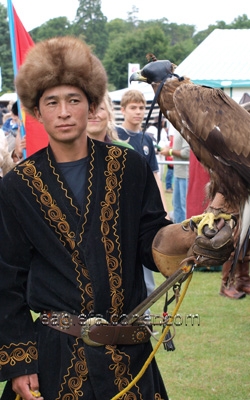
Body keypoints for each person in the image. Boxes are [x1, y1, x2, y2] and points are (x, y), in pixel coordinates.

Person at [0, 36, 234, 400]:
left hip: (130, 357)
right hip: (56, 361)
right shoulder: (16, 186)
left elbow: (151, 243)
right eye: (52, 102)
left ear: (91, 105)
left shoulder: (130, 168)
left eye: (73, 100)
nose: (64, 112)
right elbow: (7, 279)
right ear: (37, 110)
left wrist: (191, 234)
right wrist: (20, 363)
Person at [160, 124, 190, 223]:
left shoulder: (185, 129)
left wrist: (170, 151)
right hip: (178, 174)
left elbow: (187, 153)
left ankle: (186, 232)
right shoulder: (177, 129)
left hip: (185, 175)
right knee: (176, 205)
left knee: (184, 206)